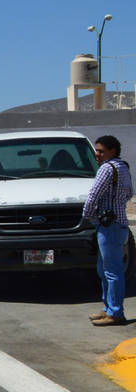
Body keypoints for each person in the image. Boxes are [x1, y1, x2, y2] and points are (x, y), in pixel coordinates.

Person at [85, 135, 132, 326]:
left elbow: (93, 195)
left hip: (108, 226)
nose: (97, 154)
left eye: (101, 150)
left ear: (113, 151)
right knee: (104, 270)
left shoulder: (106, 168)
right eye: (97, 150)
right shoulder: (123, 167)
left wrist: (87, 216)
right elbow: (130, 192)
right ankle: (108, 308)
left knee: (112, 271)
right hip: (119, 224)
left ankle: (116, 313)